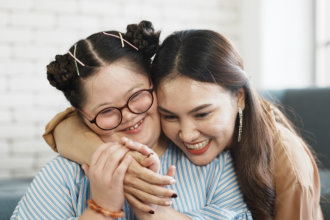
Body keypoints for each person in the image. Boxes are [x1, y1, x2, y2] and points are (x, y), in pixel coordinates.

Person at [46, 28, 323, 219]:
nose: (187, 134)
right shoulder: (128, 131)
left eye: (202, 114)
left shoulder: (288, 168)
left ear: (239, 97)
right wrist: (125, 170)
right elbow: (64, 126)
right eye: (170, 115)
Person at [11, 21, 252, 219]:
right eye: (106, 111)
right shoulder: (65, 174)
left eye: (136, 96)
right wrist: (102, 208)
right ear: (83, 117)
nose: (128, 116)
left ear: (155, 85)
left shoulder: (215, 165)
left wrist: (156, 211)